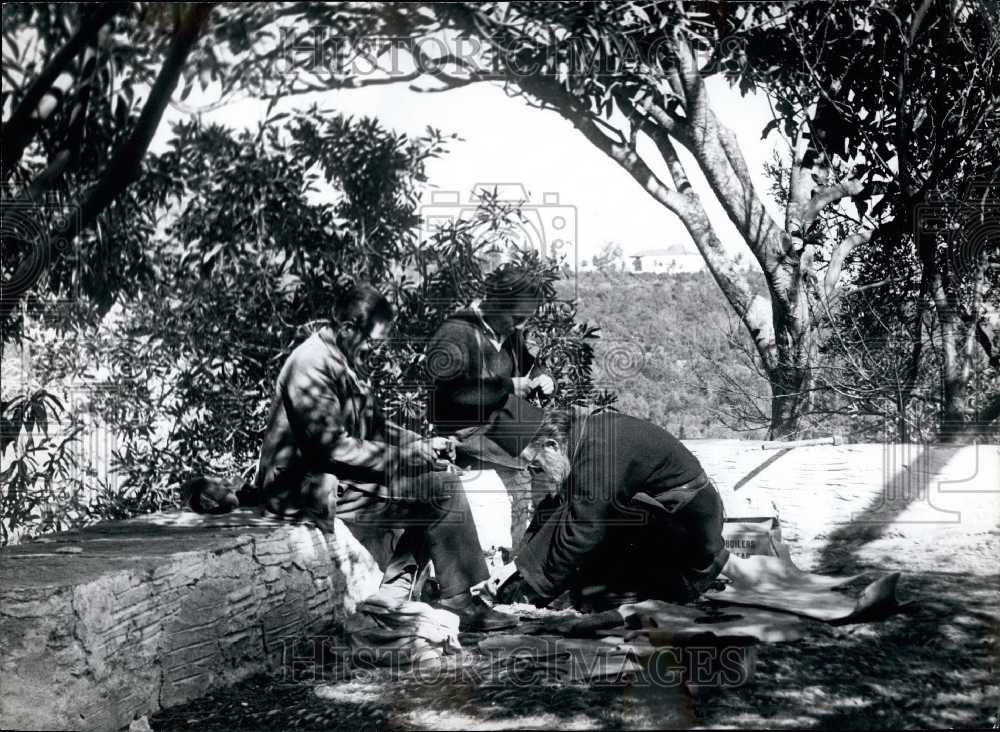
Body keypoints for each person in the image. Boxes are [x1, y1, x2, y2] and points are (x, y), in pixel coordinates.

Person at [251, 282, 517, 631]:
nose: (373, 350)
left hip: (340, 474)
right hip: (305, 484)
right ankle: (460, 603)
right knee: (442, 491)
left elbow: (374, 426)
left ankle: (392, 596)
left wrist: (421, 444)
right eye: (371, 341)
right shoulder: (310, 364)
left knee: (437, 482)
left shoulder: (344, 356)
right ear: (348, 327)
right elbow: (332, 447)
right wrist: (405, 459)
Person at [495, 408, 737, 611]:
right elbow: (553, 510)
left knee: (588, 594)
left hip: (691, 543)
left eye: (537, 465)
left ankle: (681, 582)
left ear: (552, 445)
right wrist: (517, 567)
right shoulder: (584, 438)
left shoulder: (599, 451)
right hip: (670, 526)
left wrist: (533, 592)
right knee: (567, 514)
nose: (540, 473)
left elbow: (583, 529)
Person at [424, 263, 556, 442]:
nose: (521, 326)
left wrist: (545, 380)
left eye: (526, 319)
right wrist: (507, 387)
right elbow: (449, 391)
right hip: (463, 442)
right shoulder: (456, 331)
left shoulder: (510, 334)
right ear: (495, 303)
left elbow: (531, 366)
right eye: (516, 318)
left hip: (502, 438)